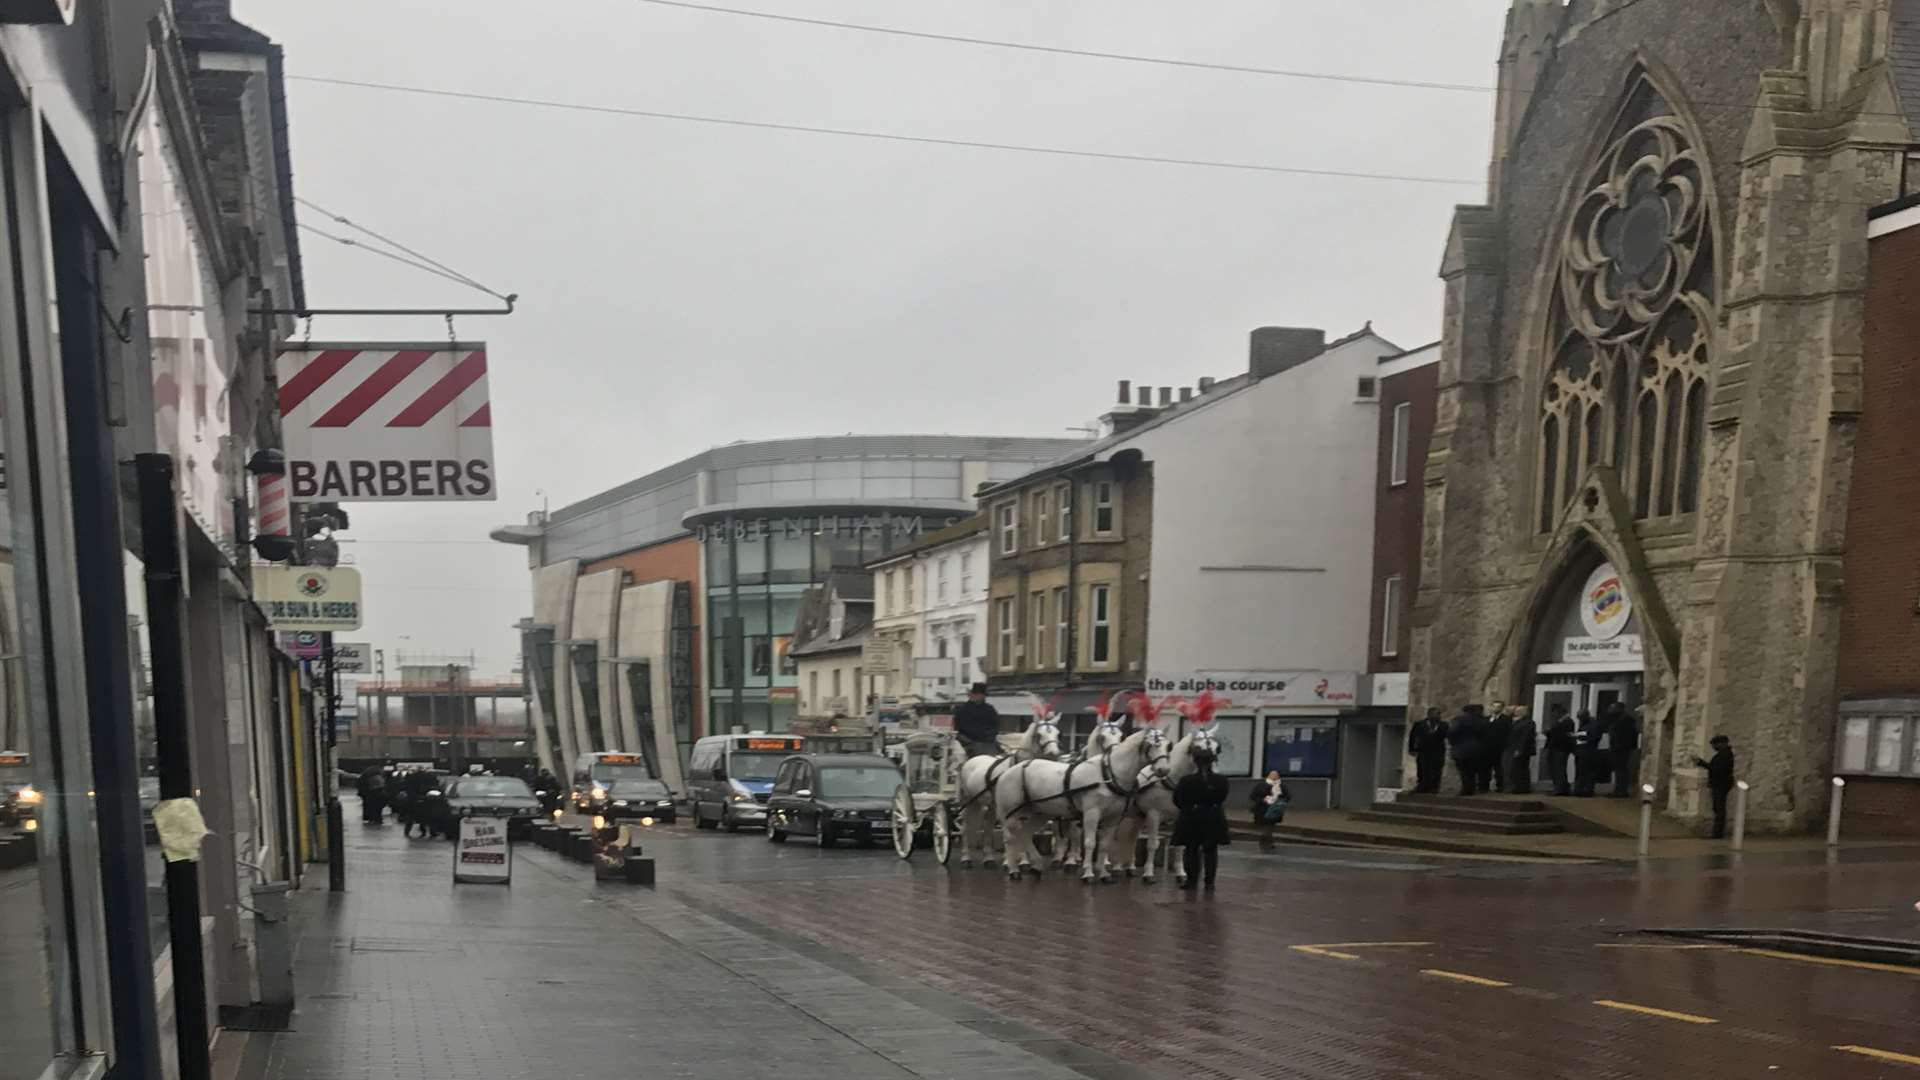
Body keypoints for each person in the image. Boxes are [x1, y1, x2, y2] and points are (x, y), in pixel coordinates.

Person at [1172, 742, 1232, 889]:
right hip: (1213, 817)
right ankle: (1209, 882)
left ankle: (1191, 881)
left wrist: (1188, 809)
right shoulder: (1221, 780)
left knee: (1191, 850)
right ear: (1212, 762)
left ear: (1195, 762)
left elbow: (1177, 799)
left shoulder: (1186, 780)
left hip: (1192, 817)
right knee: (1211, 851)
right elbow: (1222, 797)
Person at [1692, 735, 1737, 839]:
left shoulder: (1725, 755)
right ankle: (1717, 832)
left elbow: (1717, 770)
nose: (1714, 747)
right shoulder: (1723, 754)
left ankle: (1717, 833)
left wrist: (1702, 763)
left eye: (1715, 744)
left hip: (1721, 785)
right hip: (1720, 784)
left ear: (1721, 744)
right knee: (1718, 808)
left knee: (1719, 809)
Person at [952, 683, 1002, 759]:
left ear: (983, 696)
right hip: (969, 741)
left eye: (979, 694)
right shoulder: (962, 709)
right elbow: (959, 728)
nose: (976, 696)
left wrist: (990, 736)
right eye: (975, 694)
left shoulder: (990, 709)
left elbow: (995, 725)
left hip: (988, 741)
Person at [1448, 705, 1487, 796]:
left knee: (1463, 770)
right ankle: (1471, 788)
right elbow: (1485, 735)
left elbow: (1451, 733)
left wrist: (1453, 744)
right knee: (1472, 770)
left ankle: (1466, 788)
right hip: (1476, 749)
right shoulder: (1481, 721)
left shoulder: (1458, 720)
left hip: (1460, 748)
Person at [1408, 707, 1448, 794]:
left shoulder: (1444, 725)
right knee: (1423, 769)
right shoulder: (1420, 724)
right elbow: (1413, 736)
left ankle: (1434, 787)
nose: (1438, 716)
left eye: (1439, 714)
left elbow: (1447, 736)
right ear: (1429, 714)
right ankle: (1422, 786)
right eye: (1437, 714)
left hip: (1438, 751)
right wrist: (1412, 749)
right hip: (1423, 750)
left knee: (1437, 768)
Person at [1248, 770, 1290, 851]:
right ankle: (1265, 843)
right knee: (1266, 827)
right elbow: (1253, 796)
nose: (1274, 777)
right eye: (1272, 775)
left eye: (1276, 775)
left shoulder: (1281, 786)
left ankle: (1268, 842)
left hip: (1275, 810)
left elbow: (1287, 797)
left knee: (1270, 827)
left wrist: (1280, 801)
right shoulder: (1261, 785)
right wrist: (1263, 799)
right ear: (1268, 776)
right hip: (1262, 810)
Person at [1543, 704, 1577, 796]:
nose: (1554, 714)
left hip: (1560, 749)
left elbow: (1564, 736)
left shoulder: (1568, 722)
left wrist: (1550, 732)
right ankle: (1558, 787)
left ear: (1560, 712)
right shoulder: (1559, 721)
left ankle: (1561, 789)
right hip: (1554, 748)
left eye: (1555, 712)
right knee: (1554, 769)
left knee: (1559, 769)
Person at [1608, 703, 1640, 798]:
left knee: (1622, 770)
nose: (1610, 710)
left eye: (1613, 708)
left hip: (1622, 749)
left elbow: (1630, 735)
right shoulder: (1617, 720)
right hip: (1617, 748)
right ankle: (1618, 789)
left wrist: (1622, 745)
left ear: (1620, 709)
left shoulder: (1627, 720)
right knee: (1618, 770)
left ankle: (1622, 791)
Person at [1508, 705, 1536, 795]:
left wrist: (1519, 749)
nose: (1516, 712)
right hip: (1514, 747)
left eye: (1518, 711)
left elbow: (1525, 737)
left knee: (1520, 768)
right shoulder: (1515, 721)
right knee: (1516, 768)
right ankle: (1517, 786)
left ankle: (1522, 787)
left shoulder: (1528, 722)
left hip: (1522, 749)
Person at [1485, 703, 1513, 794]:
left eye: (1498, 707)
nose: (1496, 708)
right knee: (1486, 768)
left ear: (1502, 708)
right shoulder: (1487, 719)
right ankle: (1484, 786)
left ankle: (1500, 786)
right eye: (1494, 706)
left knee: (1499, 768)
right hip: (1488, 747)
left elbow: (1508, 732)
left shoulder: (1506, 719)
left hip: (1500, 747)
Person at [1572, 710, 1598, 797]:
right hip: (1582, 751)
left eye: (1580, 717)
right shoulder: (1586, 724)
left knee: (1587, 772)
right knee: (1580, 771)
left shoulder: (1593, 725)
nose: (1579, 720)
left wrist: (1577, 736)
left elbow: (1591, 736)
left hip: (1588, 751)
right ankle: (1580, 789)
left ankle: (1586, 790)